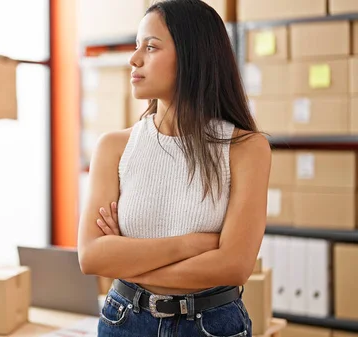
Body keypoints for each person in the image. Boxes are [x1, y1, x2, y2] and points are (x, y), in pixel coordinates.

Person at [77, 0, 271, 336]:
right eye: (136, 46)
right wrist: (192, 245)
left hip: (211, 326)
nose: (134, 59)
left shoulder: (246, 148)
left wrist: (128, 260)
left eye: (150, 47)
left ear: (194, 55)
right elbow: (92, 257)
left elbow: (234, 266)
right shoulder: (113, 147)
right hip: (124, 321)